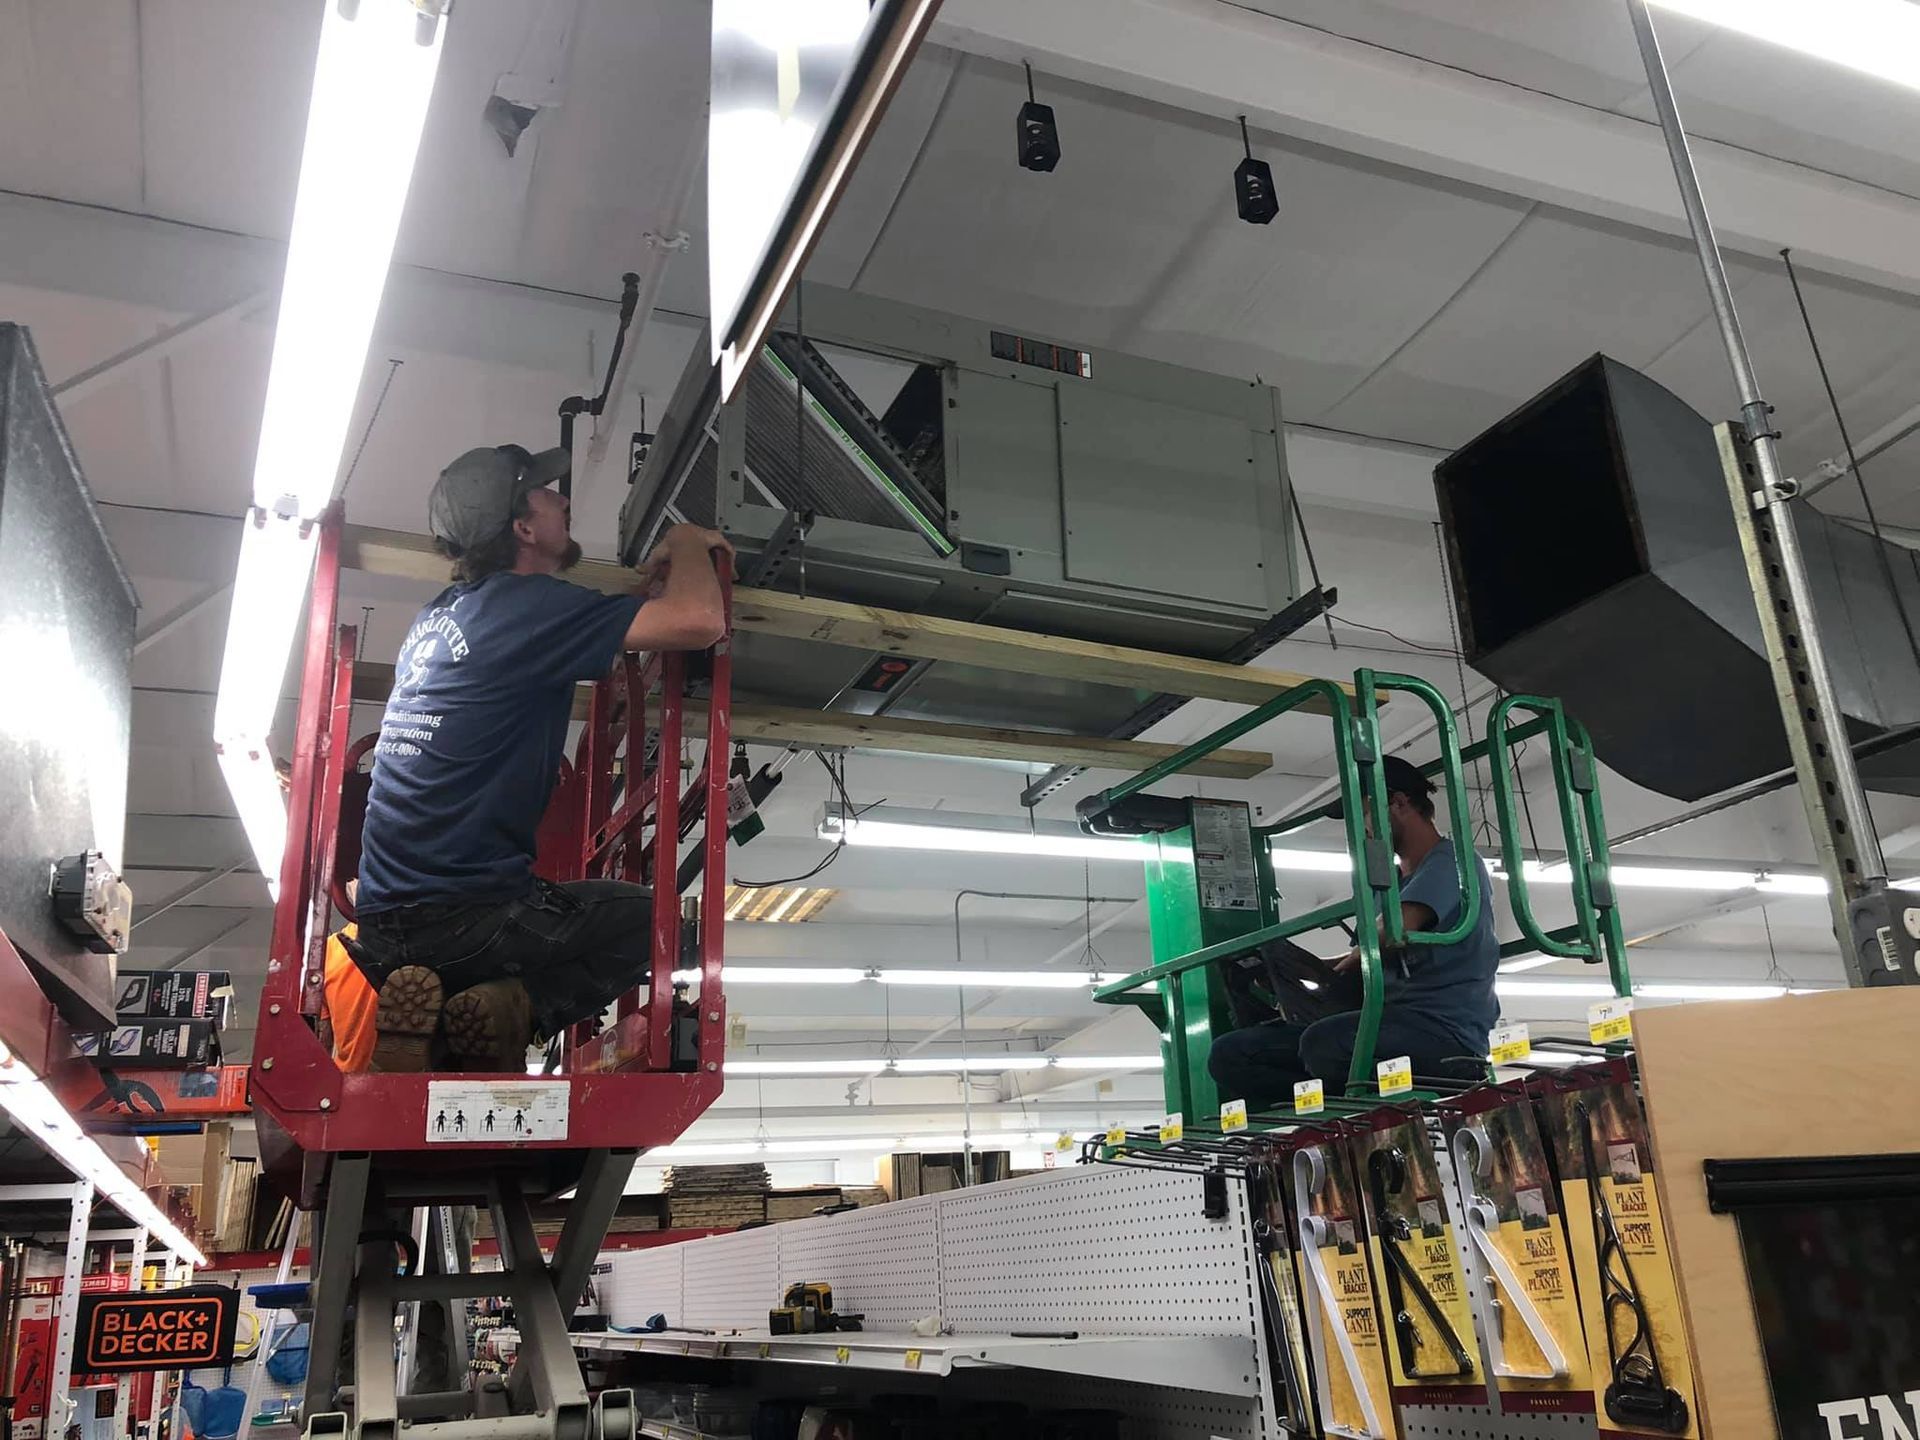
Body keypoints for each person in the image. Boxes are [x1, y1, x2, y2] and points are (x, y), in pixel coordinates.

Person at [352, 443, 732, 1072]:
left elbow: (589, 635)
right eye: (544, 493)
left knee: (467, 1023)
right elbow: (698, 620)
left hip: (383, 925)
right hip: (466, 919)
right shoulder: (526, 609)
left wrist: (638, 599)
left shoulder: (440, 618)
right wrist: (688, 541)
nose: (563, 500)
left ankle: (447, 1025)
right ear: (523, 528)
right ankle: (519, 1007)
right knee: (658, 919)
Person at [1208, 755, 1497, 1106]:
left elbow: (1390, 931)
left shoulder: (1453, 862)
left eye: (1365, 814)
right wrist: (1299, 968)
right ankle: (1324, 1114)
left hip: (1443, 1033)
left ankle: (1349, 1108)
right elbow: (1365, 954)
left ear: (1398, 802)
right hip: (1386, 1024)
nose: (1364, 828)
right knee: (1232, 1054)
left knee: (1324, 1043)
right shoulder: (1387, 882)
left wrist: (1346, 962)